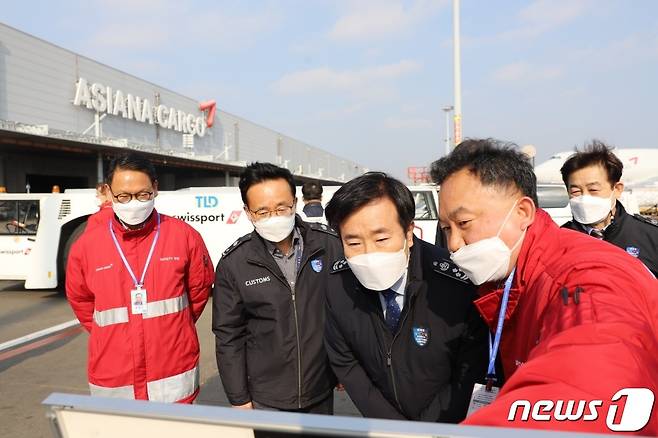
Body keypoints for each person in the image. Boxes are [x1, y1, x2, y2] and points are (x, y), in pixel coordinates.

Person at [430, 139, 658, 434]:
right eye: (446, 228)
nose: (453, 244)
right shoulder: (513, 276)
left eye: (464, 223)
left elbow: (591, 385)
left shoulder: (583, 276)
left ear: (523, 212)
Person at [323, 172, 488, 422]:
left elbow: (469, 370)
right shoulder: (338, 285)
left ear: (409, 232)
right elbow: (346, 362)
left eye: (381, 239)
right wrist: (392, 427)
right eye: (354, 243)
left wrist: (426, 430)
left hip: (449, 426)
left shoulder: (455, 283)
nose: (369, 253)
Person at [66, 152, 213, 403]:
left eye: (142, 194)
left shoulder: (184, 237)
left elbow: (198, 293)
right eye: (123, 196)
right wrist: (113, 334)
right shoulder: (87, 246)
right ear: (109, 193)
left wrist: (169, 328)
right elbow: (81, 301)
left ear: (155, 188)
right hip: (113, 375)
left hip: (173, 372)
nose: (133, 202)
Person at [213, 162, 342, 414]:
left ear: (295, 203)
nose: (274, 216)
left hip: (320, 388)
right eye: (262, 211)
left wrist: (343, 366)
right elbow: (229, 335)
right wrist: (238, 398)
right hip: (266, 398)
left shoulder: (328, 246)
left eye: (282, 207)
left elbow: (345, 311)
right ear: (248, 213)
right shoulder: (235, 264)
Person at [560, 140, 658, 276]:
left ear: (617, 189)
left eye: (593, 189)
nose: (584, 198)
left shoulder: (650, 237)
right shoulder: (559, 241)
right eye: (576, 192)